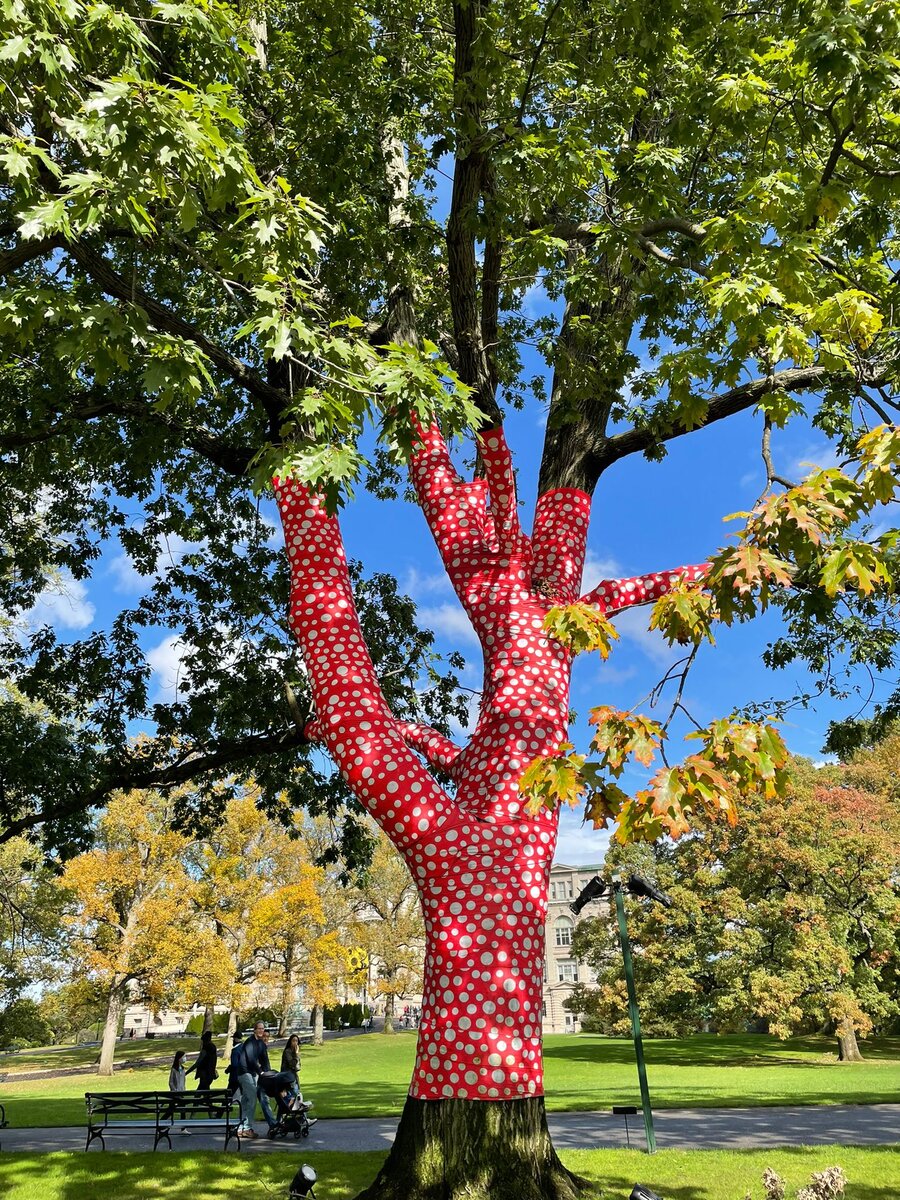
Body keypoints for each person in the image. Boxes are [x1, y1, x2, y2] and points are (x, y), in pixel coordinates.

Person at [233, 1022, 275, 1137]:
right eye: (259, 1029)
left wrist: (269, 1074)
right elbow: (251, 1059)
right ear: (254, 1030)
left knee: (246, 1100)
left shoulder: (261, 1044)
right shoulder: (249, 1042)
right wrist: (260, 1072)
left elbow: (265, 1061)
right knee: (251, 1098)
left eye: (263, 1028)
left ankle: (240, 1127)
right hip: (244, 1073)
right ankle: (247, 1128)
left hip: (252, 1073)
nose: (261, 1030)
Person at [168, 1049, 190, 1132]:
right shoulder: (174, 1069)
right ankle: (161, 1125)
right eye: (184, 1057)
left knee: (183, 1110)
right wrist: (174, 1090)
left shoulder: (183, 1069)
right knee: (170, 1110)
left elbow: (183, 1082)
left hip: (182, 1093)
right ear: (179, 1058)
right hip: (175, 1093)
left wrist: (184, 1090)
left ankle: (183, 1128)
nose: (185, 1058)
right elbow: (170, 1082)